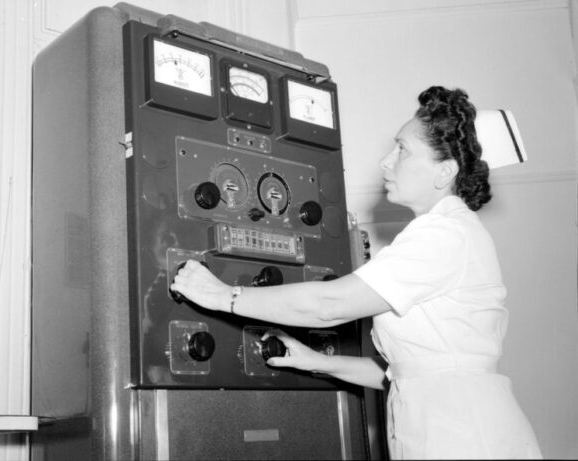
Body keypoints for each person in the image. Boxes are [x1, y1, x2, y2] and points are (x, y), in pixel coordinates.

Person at [171, 86, 542, 459]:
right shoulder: (444, 232)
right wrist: (316, 362)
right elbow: (400, 372)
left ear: (444, 171)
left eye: (402, 149)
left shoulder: (446, 234)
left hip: (467, 439)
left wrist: (224, 296)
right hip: (446, 429)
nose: (385, 161)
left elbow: (329, 303)